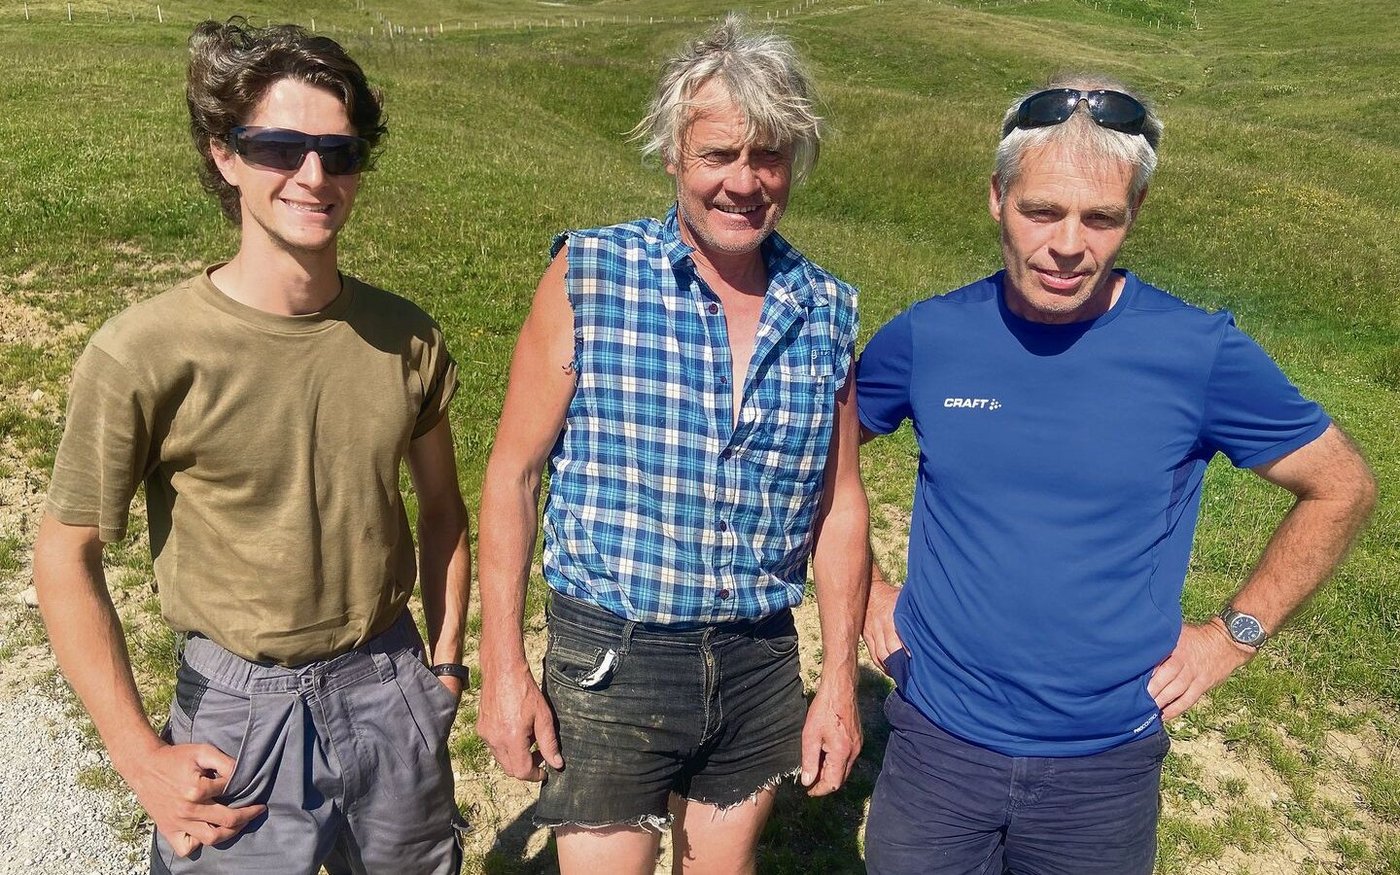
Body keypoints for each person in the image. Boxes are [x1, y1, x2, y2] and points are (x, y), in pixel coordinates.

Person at [857, 76, 1376, 874]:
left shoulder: (1196, 352)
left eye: (1100, 217)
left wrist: (1231, 636)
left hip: (1104, 767)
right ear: (996, 198)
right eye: (1042, 211)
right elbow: (812, 458)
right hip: (938, 744)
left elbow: (1342, 484)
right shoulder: (931, 337)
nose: (1069, 244)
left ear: (1134, 214)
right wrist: (865, 590)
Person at [32, 19, 471, 874]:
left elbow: (446, 512)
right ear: (224, 155)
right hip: (237, 712)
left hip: (389, 688)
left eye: (339, 154)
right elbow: (64, 554)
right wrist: (136, 754)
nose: (313, 175)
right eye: (279, 146)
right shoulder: (144, 352)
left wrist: (444, 666)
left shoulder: (406, 336)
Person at [475, 15, 867, 875]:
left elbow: (840, 506)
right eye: (718, 154)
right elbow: (513, 473)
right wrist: (501, 666)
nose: (743, 182)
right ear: (673, 158)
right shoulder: (591, 273)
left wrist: (838, 676)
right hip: (615, 653)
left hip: (758, 654)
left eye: (767, 156)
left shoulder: (827, 309)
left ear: (793, 164)